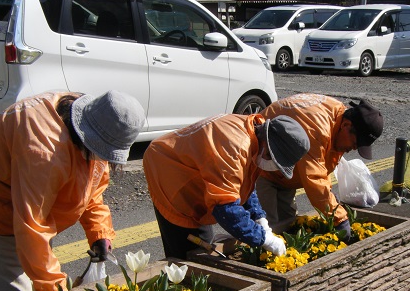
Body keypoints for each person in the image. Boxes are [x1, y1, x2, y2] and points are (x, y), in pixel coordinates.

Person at [0, 90, 146, 291]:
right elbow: (32, 224)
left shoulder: (92, 120)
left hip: (32, 208)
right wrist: (54, 290)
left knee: (44, 283)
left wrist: (99, 232)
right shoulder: (43, 150)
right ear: (86, 137)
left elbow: (92, 186)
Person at [143, 113, 311, 259]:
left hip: (190, 164)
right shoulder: (234, 147)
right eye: (276, 163)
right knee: (191, 250)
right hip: (170, 173)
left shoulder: (254, 134)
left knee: (203, 241)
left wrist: (260, 219)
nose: (275, 169)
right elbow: (225, 209)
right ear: (269, 148)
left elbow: (243, 183)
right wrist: (263, 239)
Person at [256, 93, 384, 234]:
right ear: (347, 125)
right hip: (262, 164)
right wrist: (339, 219)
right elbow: (314, 178)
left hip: (286, 172)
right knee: (267, 227)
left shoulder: (339, 118)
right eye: (355, 143)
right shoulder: (317, 128)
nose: (353, 149)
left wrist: (329, 196)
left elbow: (324, 163)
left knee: (289, 223)